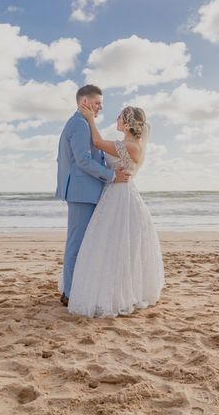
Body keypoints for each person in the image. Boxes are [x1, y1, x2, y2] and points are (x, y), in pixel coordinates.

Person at [67, 104, 165, 318]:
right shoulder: (126, 144)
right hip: (112, 193)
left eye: (120, 117)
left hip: (120, 196)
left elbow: (98, 143)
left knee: (116, 244)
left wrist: (90, 118)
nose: (117, 120)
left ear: (128, 123)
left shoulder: (132, 147)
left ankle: (116, 294)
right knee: (109, 244)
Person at [54, 85, 131, 307]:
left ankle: (77, 289)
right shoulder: (79, 123)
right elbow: (83, 160)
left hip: (86, 192)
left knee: (85, 244)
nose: (100, 107)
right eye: (97, 103)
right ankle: (69, 294)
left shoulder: (83, 122)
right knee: (76, 245)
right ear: (84, 102)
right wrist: (111, 176)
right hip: (81, 193)